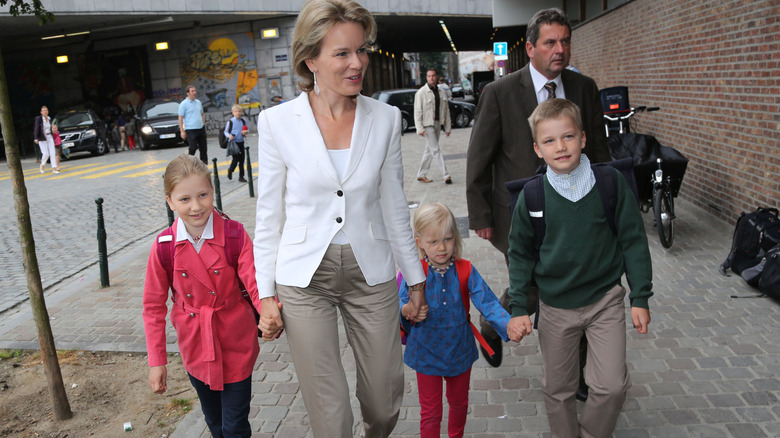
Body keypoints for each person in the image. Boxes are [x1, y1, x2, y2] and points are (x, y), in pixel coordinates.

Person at [253, 1, 427, 436]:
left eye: (361, 50)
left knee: (385, 402)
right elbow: (269, 214)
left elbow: (393, 205)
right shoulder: (277, 123)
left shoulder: (385, 119)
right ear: (310, 60)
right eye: (342, 53)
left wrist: (416, 278)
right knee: (330, 417)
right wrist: (265, 294)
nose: (357, 63)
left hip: (372, 271)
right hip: (303, 277)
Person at [465, 7, 610, 369]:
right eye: (550, 42)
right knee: (530, 286)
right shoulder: (500, 92)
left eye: (565, 41)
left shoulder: (585, 88)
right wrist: (481, 214)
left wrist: (610, 204)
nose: (559, 49)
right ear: (530, 48)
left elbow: (601, 154)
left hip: (577, 211)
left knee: (571, 286)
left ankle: (572, 372)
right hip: (518, 214)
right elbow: (479, 157)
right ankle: (493, 323)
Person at [507, 98, 652, 438]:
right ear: (537, 149)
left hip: (605, 302)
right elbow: (520, 254)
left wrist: (641, 297)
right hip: (555, 307)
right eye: (549, 140)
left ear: (584, 138)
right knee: (558, 389)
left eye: (568, 137)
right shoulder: (533, 196)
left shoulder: (610, 183)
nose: (560, 147)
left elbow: (633, 241)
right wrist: (517, 308)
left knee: (612, 386)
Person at [143, 154, 279, 438]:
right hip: (194, 344)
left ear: (212, 192)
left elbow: (254, 283)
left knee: (235, 426)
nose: (196, 206)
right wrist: (157, 361)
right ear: (170, 201)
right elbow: (153, 307)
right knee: (214, 422)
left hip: (235, 341)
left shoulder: (234, 235)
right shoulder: (163, 248)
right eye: (184, 199)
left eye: (202, 195)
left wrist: (269, 314)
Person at [399, 203, 510, 438]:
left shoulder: (466, 269)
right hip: (425, 352)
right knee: (430, 412)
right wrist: (408, 309)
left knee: (459, 404)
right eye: (433, 242)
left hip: (459, 350)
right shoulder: (413, 272)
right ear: (419, 241)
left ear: (455, 237)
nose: (442, 247)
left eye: (447, 239)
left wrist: (508, 324)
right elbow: (399, 305)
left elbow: (488, 302)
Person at [414, 68, 452, 184]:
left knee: (429, 150)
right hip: (427, 125)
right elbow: (417, 110)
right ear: (426, 77)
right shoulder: (421, 92)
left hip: (437, 123)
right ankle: (446, 175)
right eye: (429, 76)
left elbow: (446, 111)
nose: (431, 78)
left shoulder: (441, 92)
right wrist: (419, 127)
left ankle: (421, 174)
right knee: (435, 150)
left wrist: (447, 127)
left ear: (436, 77)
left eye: (433, 76)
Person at [179, 85, 208, 163]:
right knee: (193, 147)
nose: (195, 92)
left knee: (203, 148)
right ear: (188, 93)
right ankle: (189, 161)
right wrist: (182, 131)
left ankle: (204, 165)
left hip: (200, 128)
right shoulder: (183, 104)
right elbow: (180, 118)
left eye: (195, 91)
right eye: (192, 91)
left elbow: (202, 113)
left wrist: (203, 122)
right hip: (190, 129)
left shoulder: (198, 102)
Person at [224, 104, 248, 182]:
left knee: (242, 160)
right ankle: (231, 170)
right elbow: (225, 131)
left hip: (241, 142)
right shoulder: (230, 122)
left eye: (239, 111)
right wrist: (229, 136)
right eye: (236, 111)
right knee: (236, 158)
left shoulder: (243, 120)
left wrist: (245, 132)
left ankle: (241, 176)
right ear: (233, 113)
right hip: (234, 143)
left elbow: (247, 129)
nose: (238, 113)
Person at [33, 105, 60, 174]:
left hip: (49, 137)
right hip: (42, 137)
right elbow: (36, 128)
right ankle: (42, 164)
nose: (45, 112)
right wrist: (36, 138)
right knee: (46, 154)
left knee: (52, 152)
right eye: (44, 110)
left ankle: (54, 167)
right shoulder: (39, 119)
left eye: (46, 110)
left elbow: (50, 127)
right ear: (41, 112)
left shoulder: (49, 118)